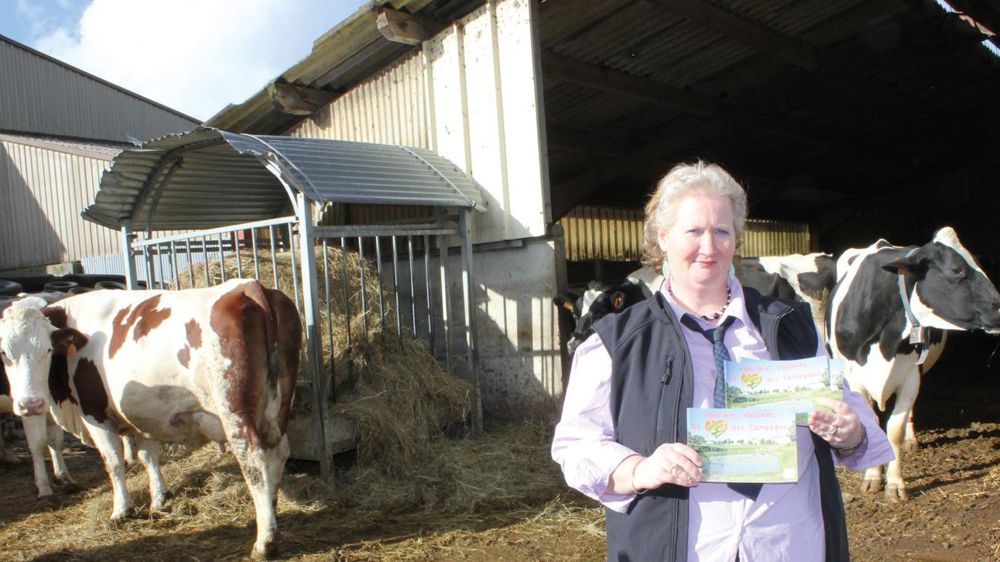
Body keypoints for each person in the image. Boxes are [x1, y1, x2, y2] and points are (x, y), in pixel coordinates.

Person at [551, 161, 893, 562]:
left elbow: (850, 413)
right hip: (679, 547)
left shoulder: (791, 325)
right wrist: (640, 469)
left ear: (736, 239)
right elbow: (577, 446)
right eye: (694, 231)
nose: (709, 247)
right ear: (663, 237)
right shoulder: (616, 342)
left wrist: (851, 433)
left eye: (722, 231)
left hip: (787, 544)